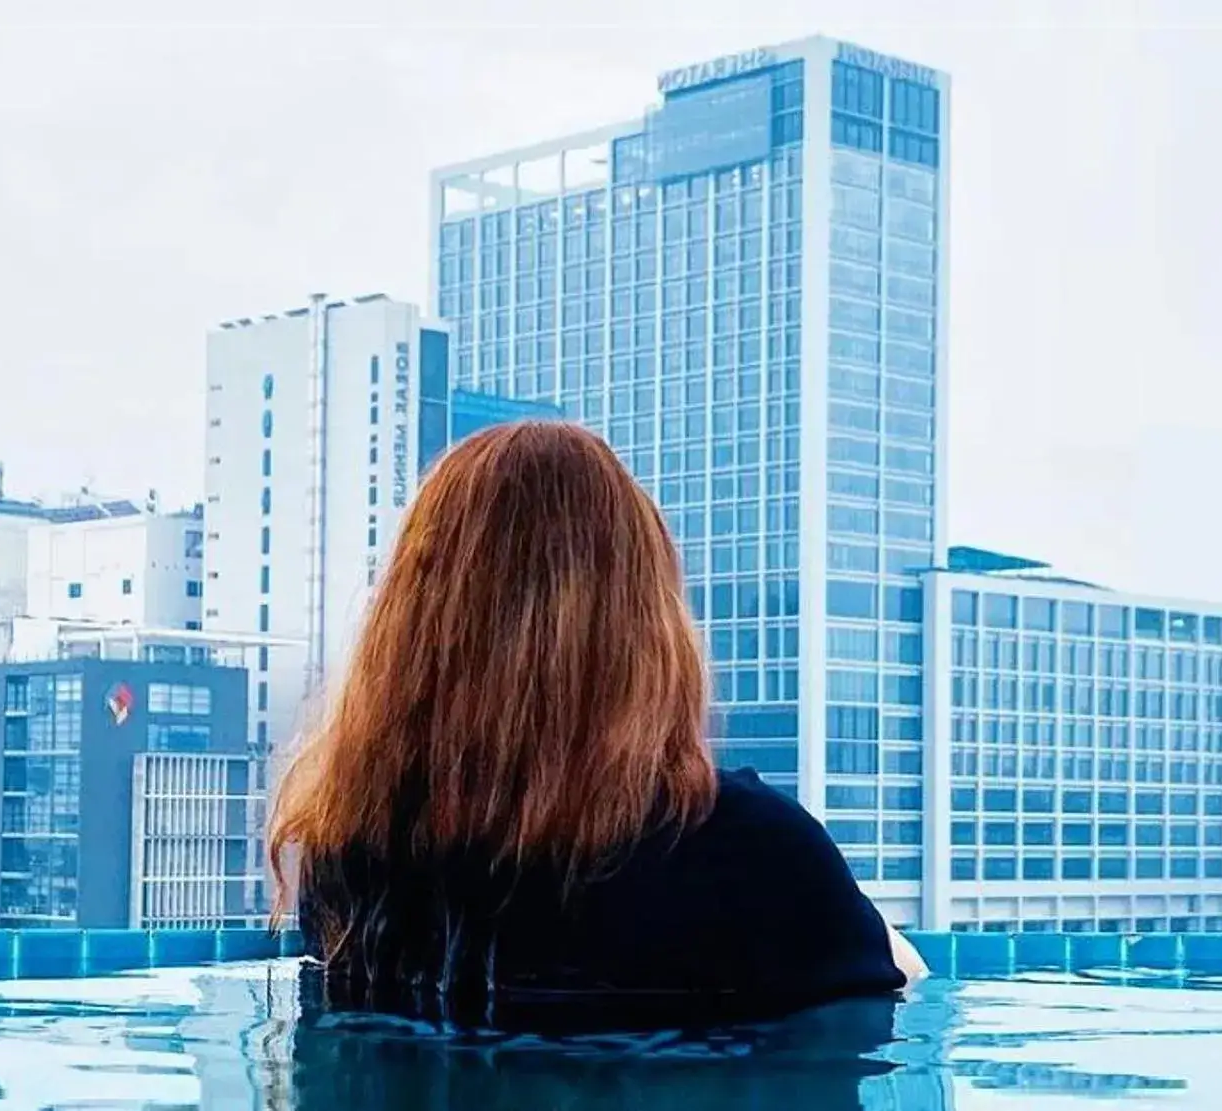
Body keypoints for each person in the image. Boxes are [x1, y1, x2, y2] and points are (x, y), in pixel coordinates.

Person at [268, 419, 925, 1030]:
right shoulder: (751, 851)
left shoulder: (350, 853)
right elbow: (891, 1021)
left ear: (412, 627)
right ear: (643, 622)